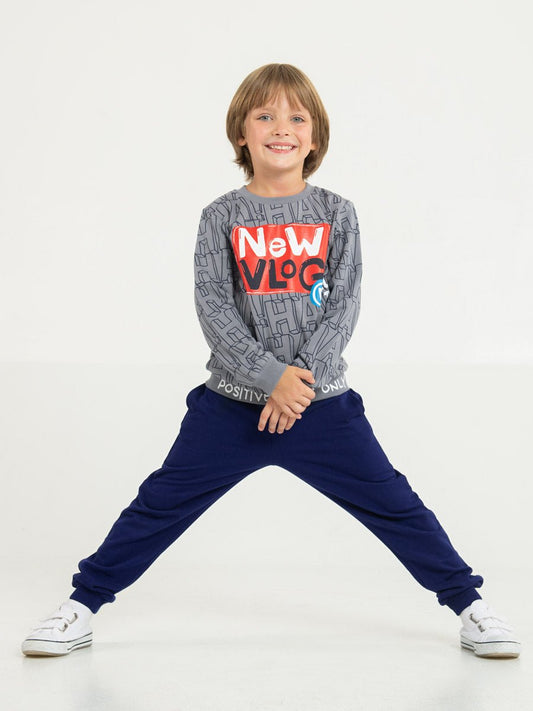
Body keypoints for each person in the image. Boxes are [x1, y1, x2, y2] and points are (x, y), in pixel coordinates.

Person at [21, 63, 520, 659]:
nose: (281, 128)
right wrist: (269, 378)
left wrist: (296, 386)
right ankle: (80, 607)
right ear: (242, 132)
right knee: (159, 505)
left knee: (395, 505)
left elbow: (344, 305)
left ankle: (470, 607)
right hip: (231, 410)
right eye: (265, 116)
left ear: (314, 137)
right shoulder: (221, 216)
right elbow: (213, 308)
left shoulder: (337, 213)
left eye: (296, 118)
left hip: (321, 409)